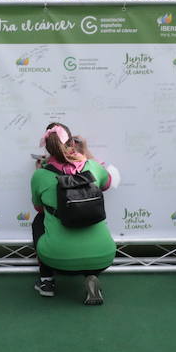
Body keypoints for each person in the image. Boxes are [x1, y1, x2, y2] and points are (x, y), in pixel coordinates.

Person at [30, 123, 114, 305]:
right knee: (90, 216)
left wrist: (40, 171)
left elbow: (39, 208)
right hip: (104, 257)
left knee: (39, 221)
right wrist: (86, 152)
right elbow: (108, 183)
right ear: (73, 144)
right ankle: (91, 275)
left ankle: (47, 281)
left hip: (56, 259)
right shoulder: (92, 167)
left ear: (48, 146)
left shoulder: (41, 175)